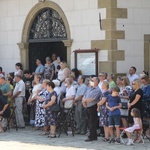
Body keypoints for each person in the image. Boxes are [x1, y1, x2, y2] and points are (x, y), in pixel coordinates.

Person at [82, 77, 102, 142]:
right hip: (88, 106)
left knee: (92, 122)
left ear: (96, 82)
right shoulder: (89, 88)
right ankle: (94, 136)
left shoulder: (97, 90)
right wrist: (83, 102)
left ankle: (91, 136)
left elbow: (93, 99)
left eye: (92, 80)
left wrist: (85, 100)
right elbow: (84, 96)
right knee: (89, 122)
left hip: (93, 107)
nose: (91, 81)